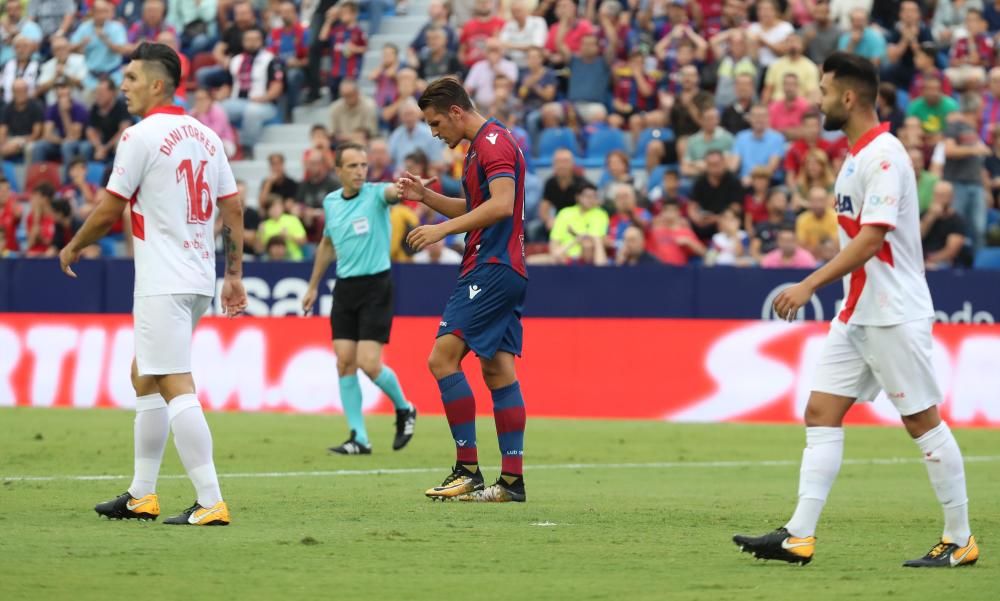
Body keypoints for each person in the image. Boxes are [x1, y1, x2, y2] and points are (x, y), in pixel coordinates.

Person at [734, 52, 978, 568]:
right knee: (821, 412)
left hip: (892, 311)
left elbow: (871, 240)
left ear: (847, 97)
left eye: (822, 91)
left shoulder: (884, 156)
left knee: (921, 422)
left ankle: (960, 539)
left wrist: (807, 284)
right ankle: (799, 534)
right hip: (857, 312)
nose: (816, 100)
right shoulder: (854, 156)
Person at [58, 43, 247, 527]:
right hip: (198, 276)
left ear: (157, 84)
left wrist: (75, 244)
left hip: (162, 279)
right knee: (145, 375)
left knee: (173, 382)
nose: (124, 87)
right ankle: (143, 493)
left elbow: (107, 209)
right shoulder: (207, 136)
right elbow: (233, 207)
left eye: (132, 79)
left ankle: (211, 500)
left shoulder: (139, 136)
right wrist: (233, 275)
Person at [397, 77, 528, 503]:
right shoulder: (485, 145)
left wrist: (442, 231)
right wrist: (427, 198)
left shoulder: (491, 143)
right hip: (506, 268)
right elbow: (477, 207)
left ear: (456, 111)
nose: (435, 133)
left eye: (437, 123)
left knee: (442, 358)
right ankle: (511, 482)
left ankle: (467, 469)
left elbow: (501, 204)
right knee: (497, 371)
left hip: (488, 267)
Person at [301, 142, 418, 454]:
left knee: (368, 362)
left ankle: (405, 407)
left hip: (375, 287)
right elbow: (327, 244)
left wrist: (404, 188)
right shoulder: (331, 202)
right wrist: (313, 286)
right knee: (344, 362)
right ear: (338, 171)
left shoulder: (376, 194)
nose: (360, 171)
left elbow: (394, 193)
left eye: (364, 165)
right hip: (345, 288)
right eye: (352, 166)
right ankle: (359, 437)